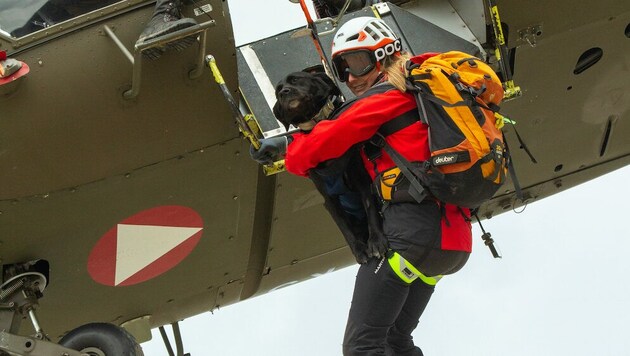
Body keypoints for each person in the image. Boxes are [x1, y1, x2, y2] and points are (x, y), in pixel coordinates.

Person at [262, 17, 473, 355]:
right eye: (344, 69)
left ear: (386, 52)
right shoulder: (429, 86)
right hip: (453, 243)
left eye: (358, 63)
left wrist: (286, 145)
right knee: (395, 341)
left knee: (362, 347)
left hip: (412, 239)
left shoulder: (385, 96)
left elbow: (310, 154)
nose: (351, 78)